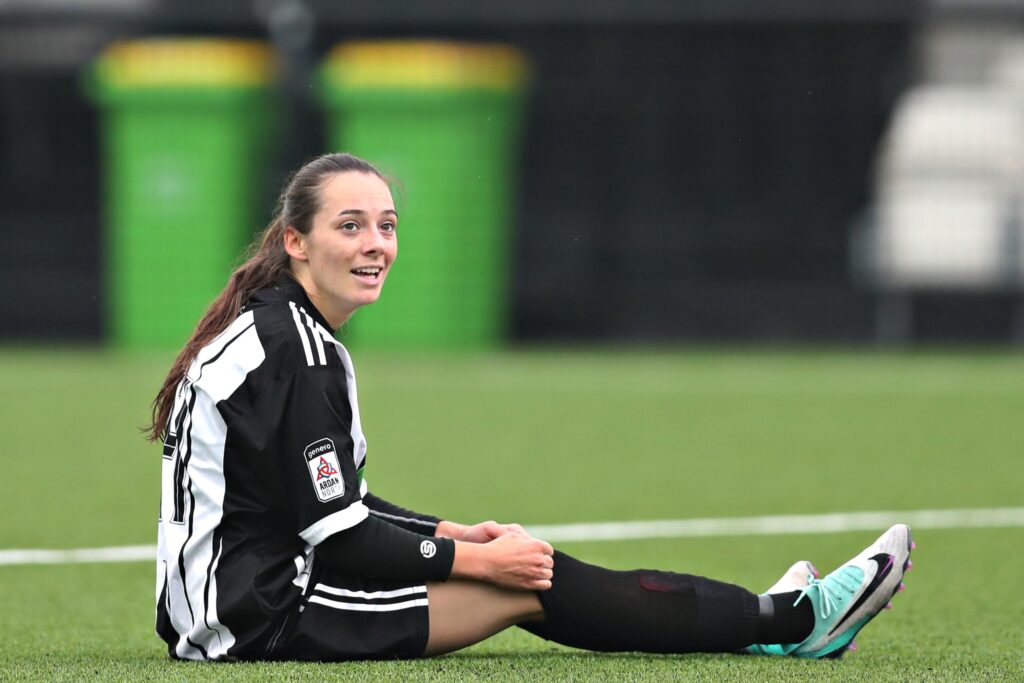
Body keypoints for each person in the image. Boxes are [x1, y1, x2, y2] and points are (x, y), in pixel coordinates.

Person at [148, 152, 913, 663]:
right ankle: (794, 623)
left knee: (523, 565)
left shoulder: (276, 329)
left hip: (221, 604)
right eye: (350, 226)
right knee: (529, 580)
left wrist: (447, 532)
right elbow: (341, 535)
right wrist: (477, 559)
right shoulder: (298, 352)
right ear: (296, 241)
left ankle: (774, 617)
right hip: (256, 616)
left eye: (386, 224)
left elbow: (326, 504)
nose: (376, 243)